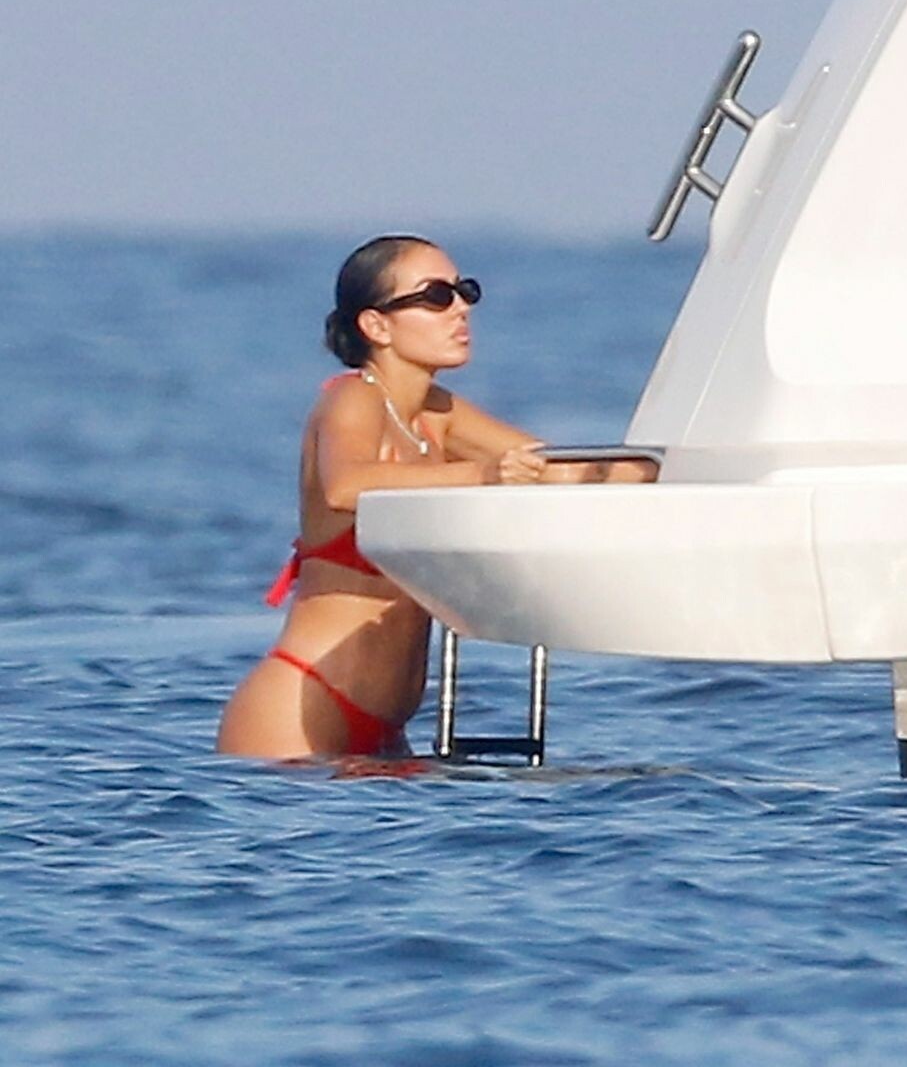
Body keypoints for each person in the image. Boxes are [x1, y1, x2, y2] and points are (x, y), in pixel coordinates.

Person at [217, 233, 655, 760]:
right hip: (301, 709)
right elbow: (345, 485)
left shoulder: (438, 412)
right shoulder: (353, 397)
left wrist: (652, 470)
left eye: (465, 292)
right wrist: (483, 475)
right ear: (376, 325)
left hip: (386, 730)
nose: (461, 309)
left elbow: (551, 470)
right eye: (436, 297)